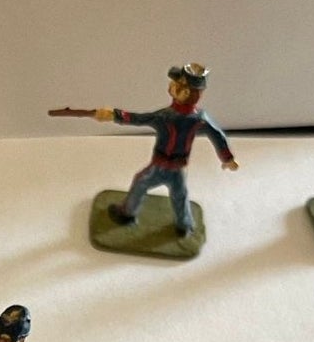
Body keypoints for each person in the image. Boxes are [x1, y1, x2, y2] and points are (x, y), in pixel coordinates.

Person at [98, 63, 236, 235]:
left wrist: (114, 115)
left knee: (141, 183)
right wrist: (227, 158)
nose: (171, 85)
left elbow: (139, 119)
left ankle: (127, 214)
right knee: (180, 195)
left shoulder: (165, 116)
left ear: (185, 93)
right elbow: (217, 135)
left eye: (177, 84)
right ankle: (184, 225)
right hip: (178, 167)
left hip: (160, 165)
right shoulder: (199, 118)